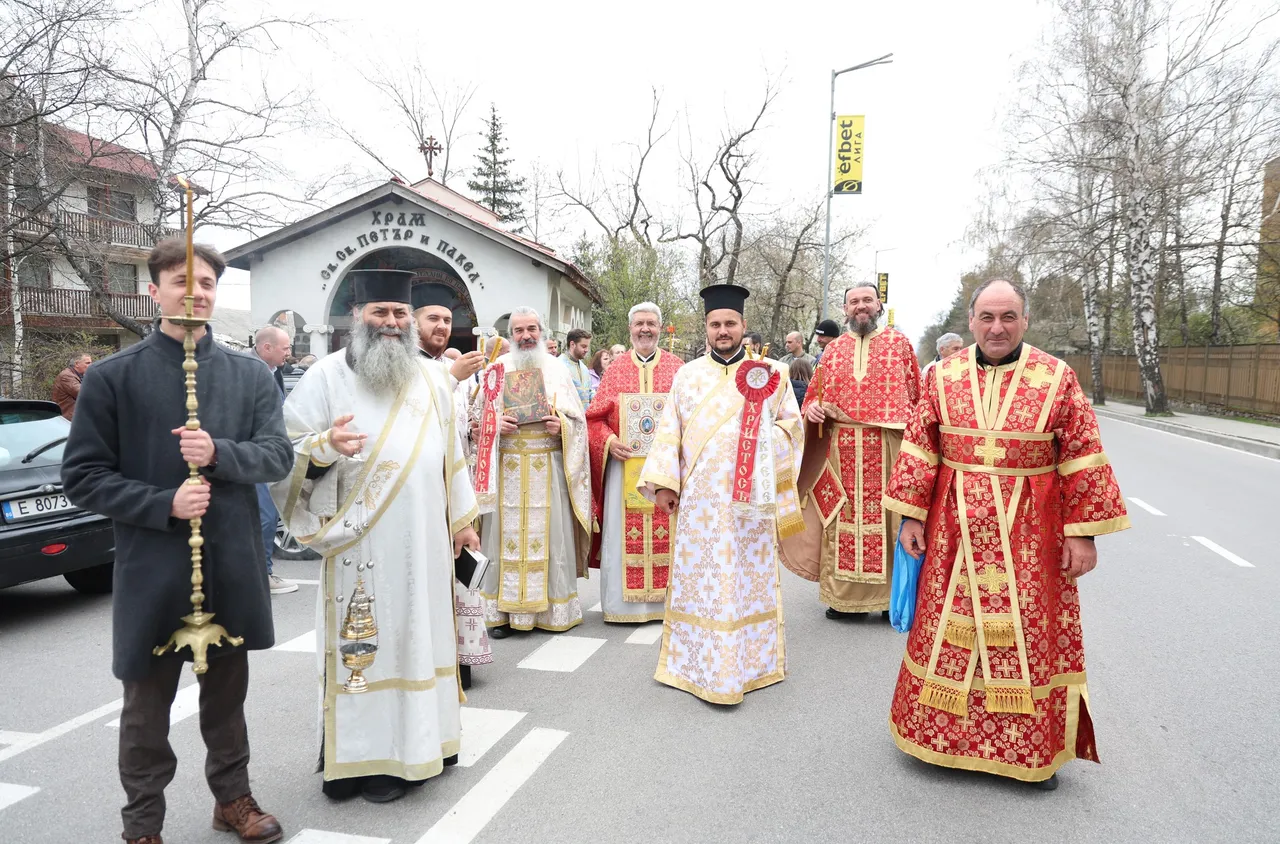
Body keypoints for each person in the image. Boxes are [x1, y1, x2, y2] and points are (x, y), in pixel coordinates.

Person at [61, 238, 291, 844]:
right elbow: (82, 477)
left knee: (226, 700)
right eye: (180, 280)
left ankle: (232, 800)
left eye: (208, 284)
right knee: (146, 708)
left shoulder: (250, 375)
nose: (195, 292)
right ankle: (142, 824)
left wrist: (220, 453)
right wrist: (163, 503)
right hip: (153, 566)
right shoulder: (113, 378)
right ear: (153, 290)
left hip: (231, 561)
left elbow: (276, 455)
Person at [882, 278, 1130, 789]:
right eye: (988, 317)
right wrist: (911, 515)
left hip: (1030, 531)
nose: (998, 327)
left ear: (1024, 320)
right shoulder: (942, 376)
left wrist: (1082, 533)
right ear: (972, 321)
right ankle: (937, 740)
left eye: (1008, 317)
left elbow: (1081, 455)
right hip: (952, 527)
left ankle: (1030, 752)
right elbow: (920, 447)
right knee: (947, 624)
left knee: (1029, 632)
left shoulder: (1056, 377)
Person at [273, 269, 480, 804]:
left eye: (398, 314)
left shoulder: (434, 379)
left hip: (425, 543)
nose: (390, 323)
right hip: (356, 546)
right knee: (361, 649)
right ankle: (352, 758)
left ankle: (411, 753)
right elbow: (283, 454)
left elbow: (451, 457)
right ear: (356, 318)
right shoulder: (323, 377)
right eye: (379, 313)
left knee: (417, 639)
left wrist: (463, 520)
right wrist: (323, 447)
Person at [638, 284, 804, 704]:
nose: (723, 330)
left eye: (730, 323)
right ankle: (694, 663)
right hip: (700, 504)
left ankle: (752, 663)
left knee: (746, 581)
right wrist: (663, 485)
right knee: (702, 581)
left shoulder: (772, 373)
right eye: (715, 324)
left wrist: (765, 440)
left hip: (750, 503)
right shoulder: (686, 375)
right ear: (707, 328)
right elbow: (669, 431)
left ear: (743, 326)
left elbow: (793, 428)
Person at [792, 283, 920, 619]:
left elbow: (918, 398)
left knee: (891, 520)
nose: (861, 306)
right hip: (843, 448)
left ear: (879, 305)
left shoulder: (900, 345)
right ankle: (845, 599)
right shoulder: (833, 351)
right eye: (854, 302)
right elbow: (814, 397)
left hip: (888, 446)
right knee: (840, 516)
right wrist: (815, 408)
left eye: (867, 300)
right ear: (845, 309)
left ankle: (889, 600)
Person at [472, 307, 592, 637]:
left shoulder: (557, 369)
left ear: (542, 332)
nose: (526, 336)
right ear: (511, 335)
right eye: (520, 330)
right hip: (507, 466)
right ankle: (504, 612)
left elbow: (578, 422)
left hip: (547, 467)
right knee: (503, 539)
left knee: (549, 536)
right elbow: (475, 423)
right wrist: (495, 425)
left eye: (532, 329)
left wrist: (561, 426)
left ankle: (551, 611)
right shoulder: (496, 369)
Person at [413, 283, 490, 688]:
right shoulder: (413, 368)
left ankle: (461, 660)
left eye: (447, 320)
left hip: (457, 484)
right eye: (433, 319)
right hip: (423, 491)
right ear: (413, 323)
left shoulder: (448, 370)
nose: (442, 326)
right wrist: (451, 378)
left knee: (461, 570)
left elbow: (457, 432)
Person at [586, 302, 683, 624]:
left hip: (666, 470)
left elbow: (690, 417)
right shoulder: (614, 370)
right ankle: (622, 607)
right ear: (630, 329)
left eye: (651, 324)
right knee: (620, 534)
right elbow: (594, 420)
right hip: (623, 469)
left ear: (659, 327)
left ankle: (669, 603)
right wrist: (610, 442)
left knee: (669, 529)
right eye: (639, 323)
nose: (645, 329)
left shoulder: (677, 367)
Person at [250, 326, 297, 596]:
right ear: (267, 348)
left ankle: (260, 572)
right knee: (264, 518)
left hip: (268, 456)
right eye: (285, 348)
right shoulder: (249, 372)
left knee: (266, 518)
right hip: (256, 458)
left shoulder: (273, 371)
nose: (289, 353)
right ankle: (262, 574)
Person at [560, 327, 594, 406]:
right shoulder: (559, 365)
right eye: (583, 346)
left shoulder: (584, 368)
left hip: (584, 416)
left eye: (587, 346)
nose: (587, 350)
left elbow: (589, 392)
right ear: (572, 344)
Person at [53, 352, 91, 419]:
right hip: (68, 420)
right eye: (87, 363)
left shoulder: (81, 375)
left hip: (77, 417)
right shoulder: (66, 376)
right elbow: (84, 393)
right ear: (76, 364)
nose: (91, 365)